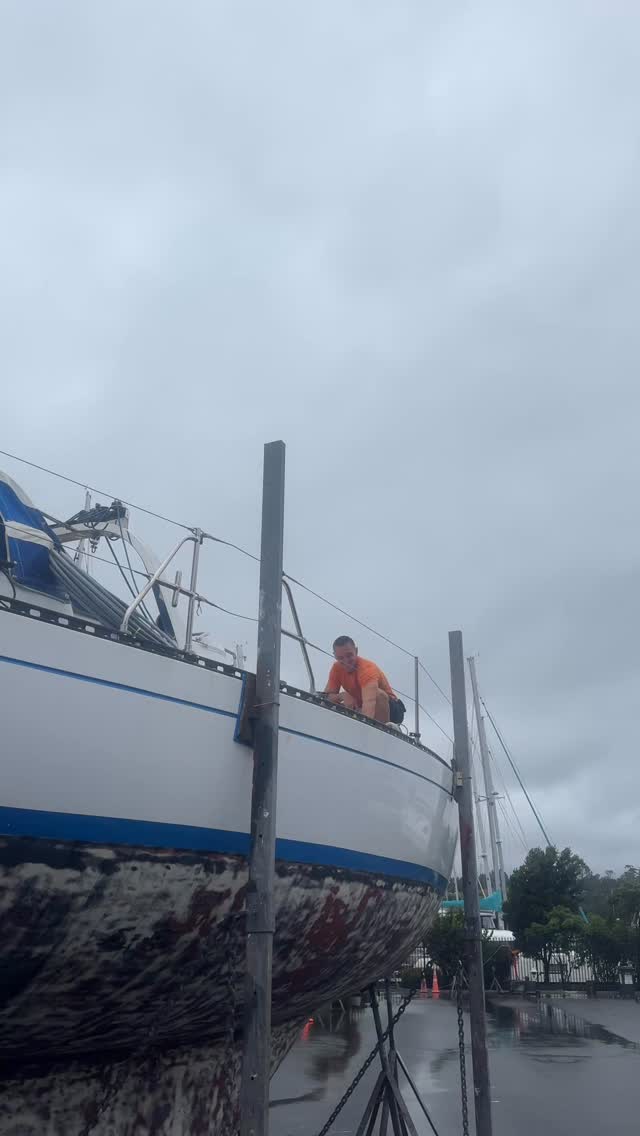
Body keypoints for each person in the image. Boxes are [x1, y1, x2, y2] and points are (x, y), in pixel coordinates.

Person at [324, 636, 403, 725]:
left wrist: (363, 726)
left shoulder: (367, 669)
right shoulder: (336, 668)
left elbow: (369, 702)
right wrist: (341, 696)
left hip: (392, 711)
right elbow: (326, 697)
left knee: (378, 694)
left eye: (349, 655)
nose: (346, 661)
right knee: (335, 705)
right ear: (335, 656)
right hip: (361, 706)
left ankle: (381, 730)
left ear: (356, 651)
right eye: (341, 658)